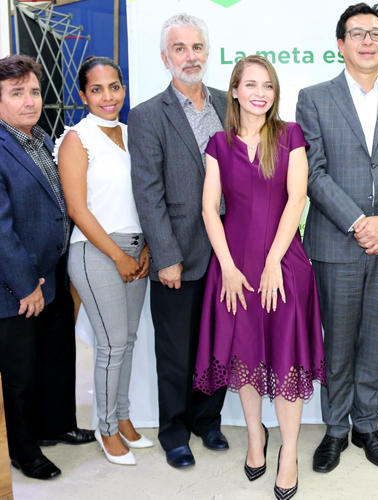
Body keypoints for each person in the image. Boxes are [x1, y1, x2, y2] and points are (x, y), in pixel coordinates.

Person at [296, 2, 378, 472]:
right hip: (337, 241)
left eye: (375, 33)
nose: (367, 41)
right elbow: (314, 172)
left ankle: (367, 425)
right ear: (340, 45)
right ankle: (334, 429)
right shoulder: (313, 97)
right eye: (357, 33)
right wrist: (359, 223)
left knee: (375, 338)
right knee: (337, 341)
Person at [0, 54, 94, 480]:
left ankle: (56, 425)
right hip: (12, 287)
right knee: (18, 377)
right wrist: (24, 285)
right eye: (17, 94)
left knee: (55, 360)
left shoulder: (40, 138)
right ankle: (23, 450)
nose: (30, 101)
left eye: (33, 91)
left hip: (50, 277)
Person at [193, 54, 325, 500]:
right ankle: (255, 437)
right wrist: (227, 267)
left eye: (267, 85)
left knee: (286, 360)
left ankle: (288, 453)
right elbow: (210, 208)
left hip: (284, 263)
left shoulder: (290, 135)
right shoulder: (217, 143)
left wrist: (272, 262)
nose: (259, 93)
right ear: (233, 91)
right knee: (244, 360)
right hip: (232, 267)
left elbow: (297, 197)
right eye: (250, 84)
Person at [128, 13, 229, 469]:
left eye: (197, 47)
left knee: (219, 343)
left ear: (208, 53)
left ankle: (209, 421)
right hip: (179, 253)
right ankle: (175, 431)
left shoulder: (232, 105)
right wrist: (165, 255)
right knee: (175, 350)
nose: (190, 56)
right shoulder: (148, 115)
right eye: (180, 49)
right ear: (165, 58)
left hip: (231, 253)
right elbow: (147, 193)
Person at [55, 56, 153, 466]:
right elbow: (78, 209)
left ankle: (125, 418)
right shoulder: (77, 139)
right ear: (83, 95)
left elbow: (144, 197)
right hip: (96, 252)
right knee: (111, 345)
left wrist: (145, 247)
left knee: (127, 342)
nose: (108, 96)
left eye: (114, 87)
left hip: (136, 250)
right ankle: (106, 429)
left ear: (123, 89)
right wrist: (117, 255)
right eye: (97, 89)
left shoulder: (134, 135)